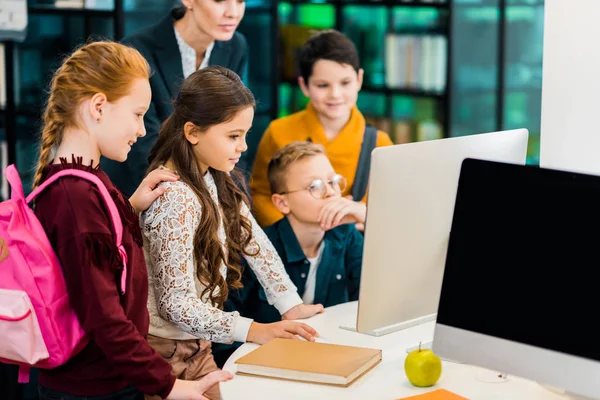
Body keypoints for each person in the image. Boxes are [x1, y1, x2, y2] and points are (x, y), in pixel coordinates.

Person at [33, 41, 232, 400]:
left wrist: (130, 206)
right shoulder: (76, 198)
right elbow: (105, 318)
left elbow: (98, 252)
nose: (142, 130)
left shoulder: (84, 183)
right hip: (95, 388)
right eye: (137, 113)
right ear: (98, 106)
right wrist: (169, 385)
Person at [141, 66, 324, 400]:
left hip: (199, 345)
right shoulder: (174, 196)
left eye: (245, 134)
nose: (242, 146)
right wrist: (253, 331)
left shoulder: (212, 175)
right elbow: (174, 304)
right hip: (164, 355)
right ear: (193, 132)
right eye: (233, 135)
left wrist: (290, 305)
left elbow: (255, 243)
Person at [103, 1, 249, 196]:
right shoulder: (137, 50)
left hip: (205, 185)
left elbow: (234, 127)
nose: (233, 13)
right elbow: (143, 143)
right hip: (143, 187)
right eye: (219, 1)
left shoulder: (236, 46)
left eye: (240, 1)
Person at [250, 29, 393, 228]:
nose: (335, 94)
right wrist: (293, 231)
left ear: (359, 80)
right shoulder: (278, 132)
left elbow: (389, 208)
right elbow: (260, 195)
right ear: (304, 85)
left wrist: (362, 214)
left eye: (345, 83)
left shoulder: (380, 143)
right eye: (322, 85)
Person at [243, 142, 364, 323]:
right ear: (282, 203)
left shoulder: (347, 235)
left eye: (332, 181)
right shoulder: (256, 249)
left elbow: (378, 300)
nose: (331, 192)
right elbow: (224, 335)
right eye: (314, 186)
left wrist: (366, 216)